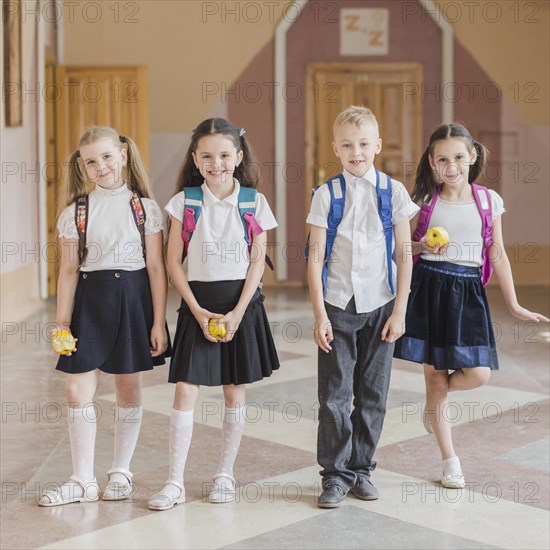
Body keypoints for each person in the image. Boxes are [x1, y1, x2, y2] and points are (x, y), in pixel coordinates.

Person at [393, 122, 549, 488]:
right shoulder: (424, 201)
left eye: (459, 157)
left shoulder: (488, 200)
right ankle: (450, 461)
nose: (452, 166)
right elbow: (402, 247)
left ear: (473, 156)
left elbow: (497, 252)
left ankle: (435, 405)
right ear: (432, 162)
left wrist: (513, 305)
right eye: (443, 159)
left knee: (478, 373)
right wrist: (422, 247)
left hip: (469, 293)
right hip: (429, 288)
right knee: (434, 377)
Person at [148, 118, 279, 511]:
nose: (216, 163)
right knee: (185, 388)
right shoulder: (183, 202)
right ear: (195, 159)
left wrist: (238, 312)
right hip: (197, 305)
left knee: (233, 390)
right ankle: (174, 482)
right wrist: (196, 310)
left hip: (241, 304)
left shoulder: (253, 201)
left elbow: (258, 261)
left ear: (238, 157)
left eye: (224, 155)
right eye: (207, 156)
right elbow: (173, 263)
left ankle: (225, 474)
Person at [39, 126, 170, 506]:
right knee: (76, 389)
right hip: (89, 303)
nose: (101, 167)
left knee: (128, 389)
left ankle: (120, 473)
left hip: (133, 300)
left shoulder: (145, 209)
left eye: (108, 157)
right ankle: (82, 480)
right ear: (82, 167)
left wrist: (158, 321)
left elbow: (157, 269)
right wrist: (62, 323)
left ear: (124, 156)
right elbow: (67, 271)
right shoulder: (75, 213)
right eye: (91, 162)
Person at [307, 105, 419, 508]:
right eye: (348, 145)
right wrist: (320, 315)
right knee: (335, 397)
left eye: (364, 143)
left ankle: (362, 470)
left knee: (374, 396)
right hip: (338, 305)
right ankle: (334, 476)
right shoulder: (326, 194)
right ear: (336, 148)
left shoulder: (394, 192)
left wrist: (400, 310)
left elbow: (405, 255)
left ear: (378, 145)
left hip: (382, 304)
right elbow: (315, 258)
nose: (357, 151)